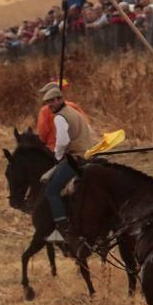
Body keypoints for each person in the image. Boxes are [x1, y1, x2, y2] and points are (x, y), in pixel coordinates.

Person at [41, 86, 96, 242]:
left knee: (51, 191)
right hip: (87, 155)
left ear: (60, 99)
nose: (50, 105)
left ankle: (62, 227)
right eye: (47, 103)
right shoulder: (75, 113)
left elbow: (63, 141)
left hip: (75, 159)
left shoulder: (60, 117)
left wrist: (58, 157)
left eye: (52, 101)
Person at [36, 81, 89, 151]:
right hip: (76, 149)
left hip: (53, 150)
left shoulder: (45, 111)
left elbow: (42, 134)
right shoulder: (73, 106)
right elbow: (86, 124)